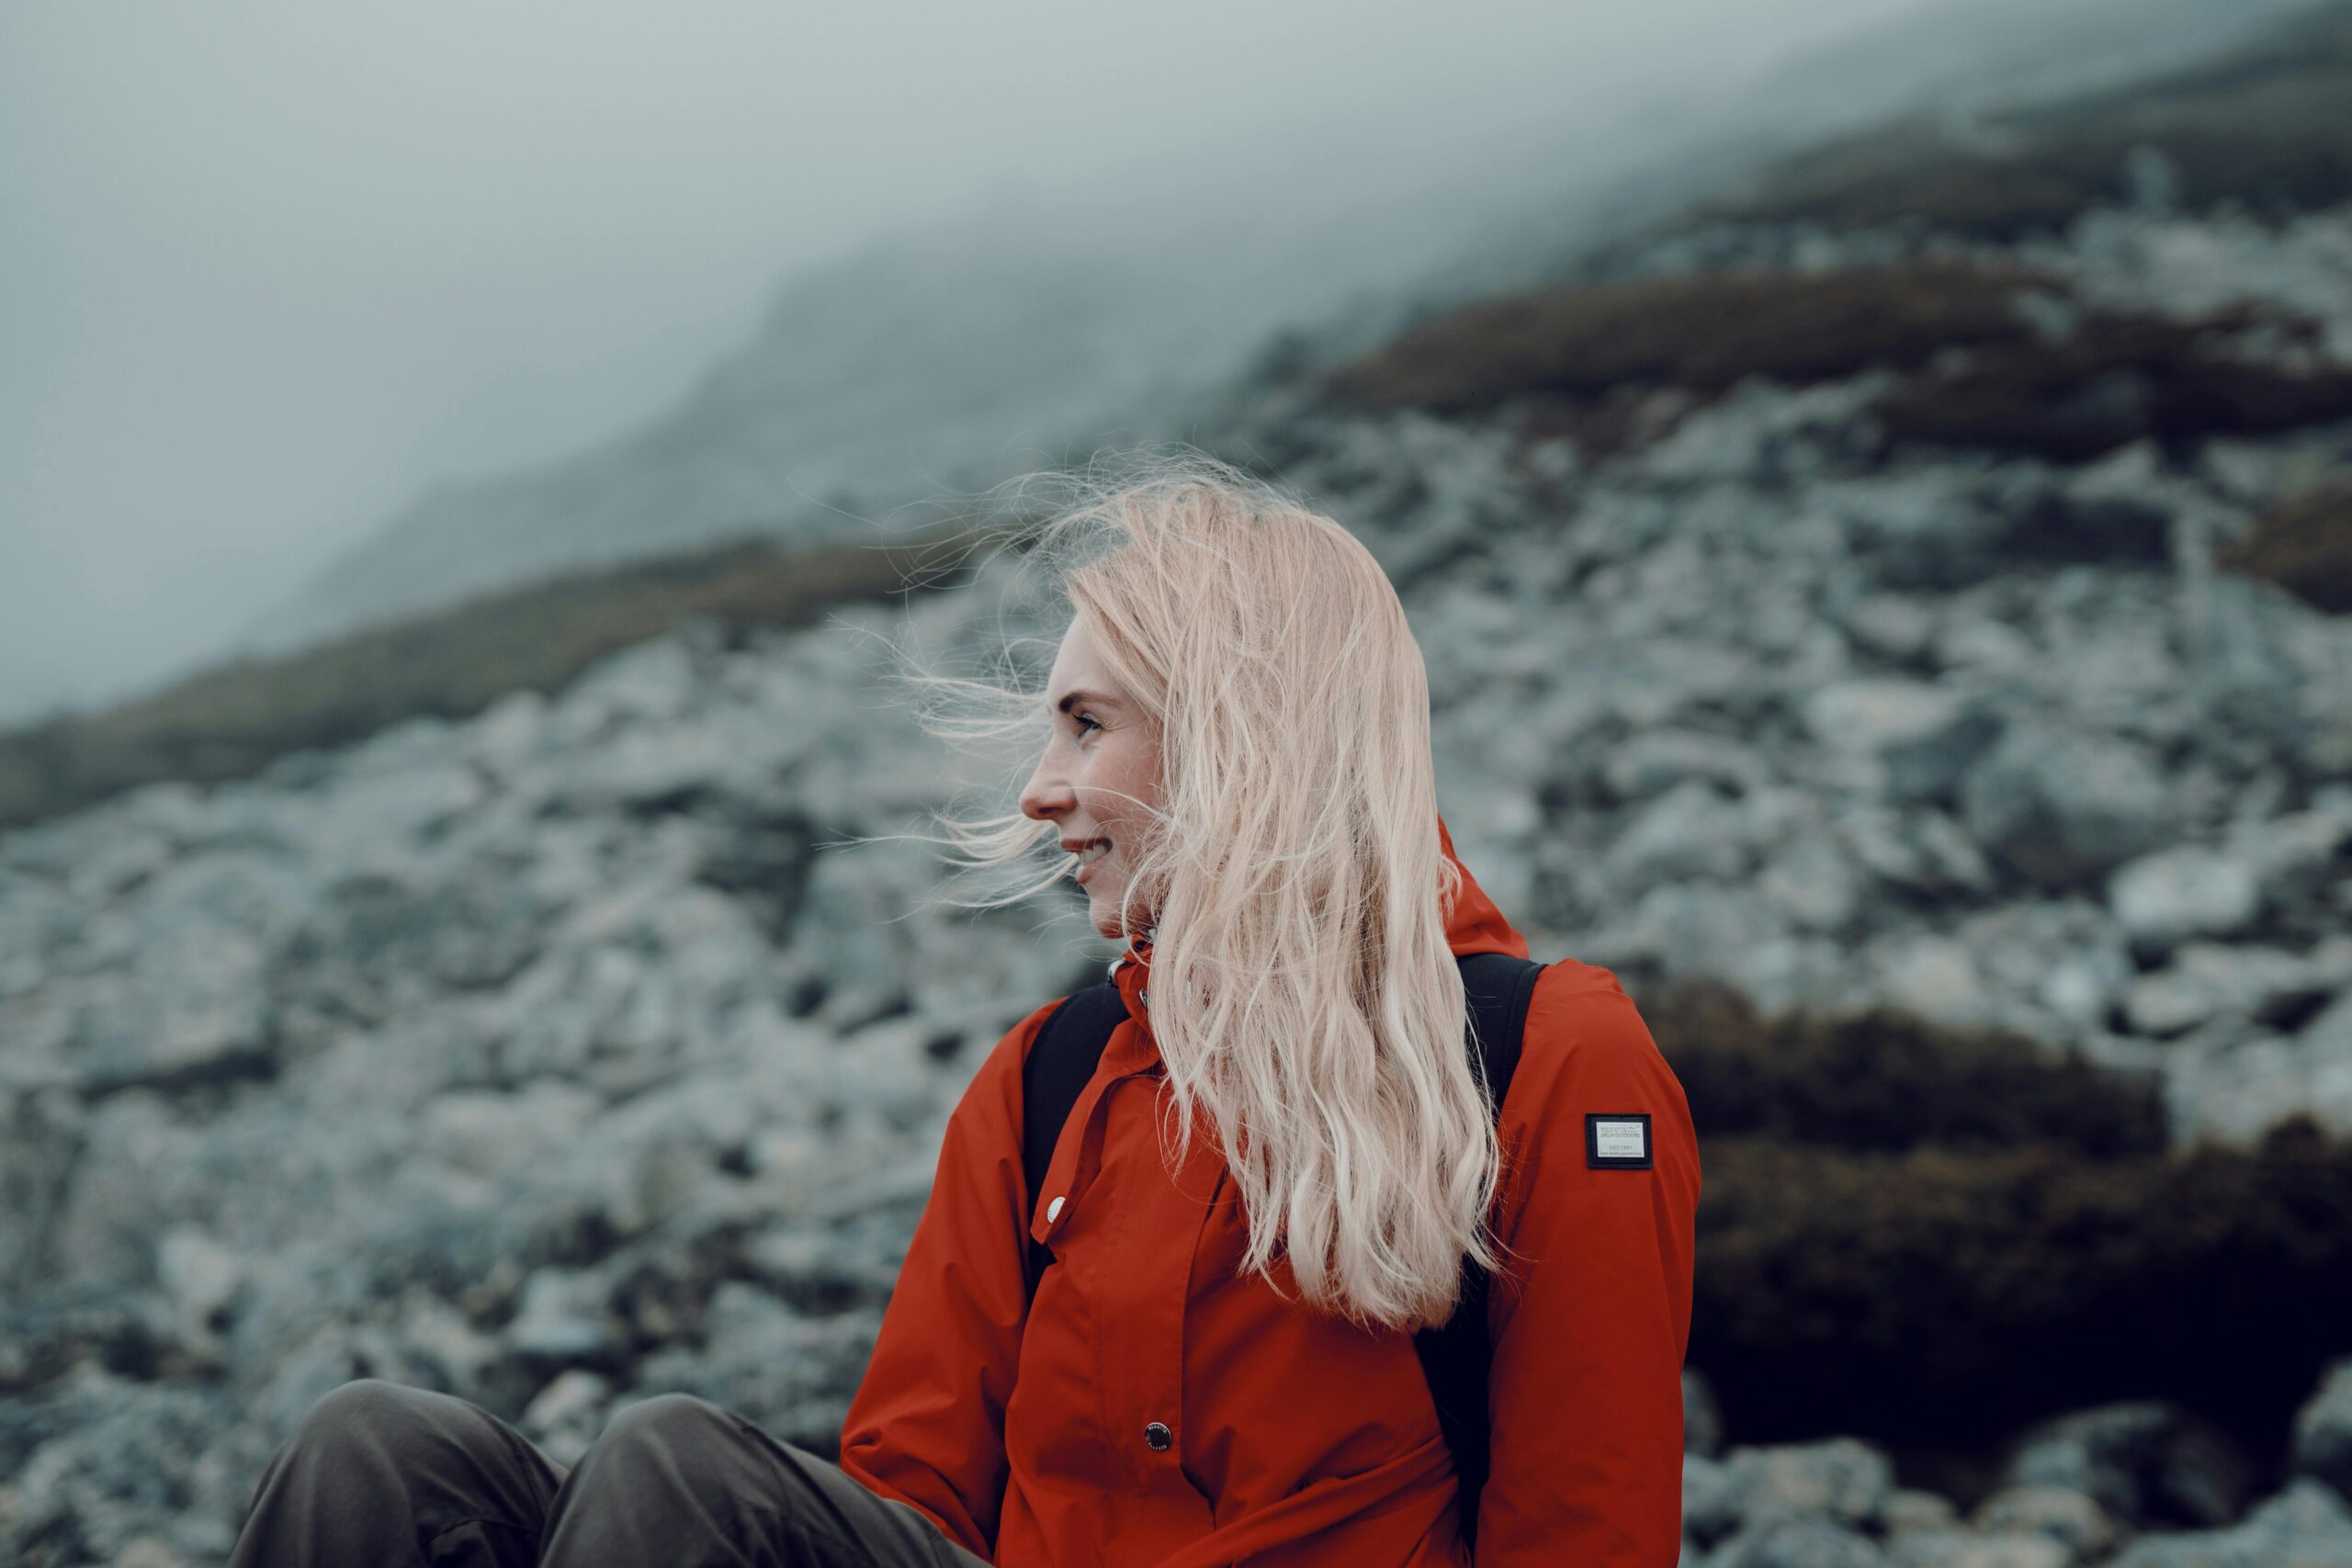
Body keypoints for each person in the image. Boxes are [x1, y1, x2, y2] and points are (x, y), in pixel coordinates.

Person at [224, 453, 1700, 1567]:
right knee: (377, 1458)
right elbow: (910, 1493)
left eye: (1086, 723)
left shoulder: (1544, 1059)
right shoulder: (1048, 1080)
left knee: (674, 1468)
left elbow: (1587, 1530)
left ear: (1244, 743)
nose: (1039, 790)